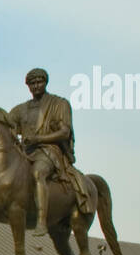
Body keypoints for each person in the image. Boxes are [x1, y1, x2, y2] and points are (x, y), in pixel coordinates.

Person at [7, 68, 87, 234]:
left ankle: (42, 222)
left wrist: (38, 139)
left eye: (39, 82)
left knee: (38, 173)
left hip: (49, 151)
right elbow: (4, 123)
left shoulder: (59, 104)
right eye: (32, 83)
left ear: (46, 82)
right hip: (25, 152)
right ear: (28, 86)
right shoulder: (21, 109)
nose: (36, 86)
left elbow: (65, 132)